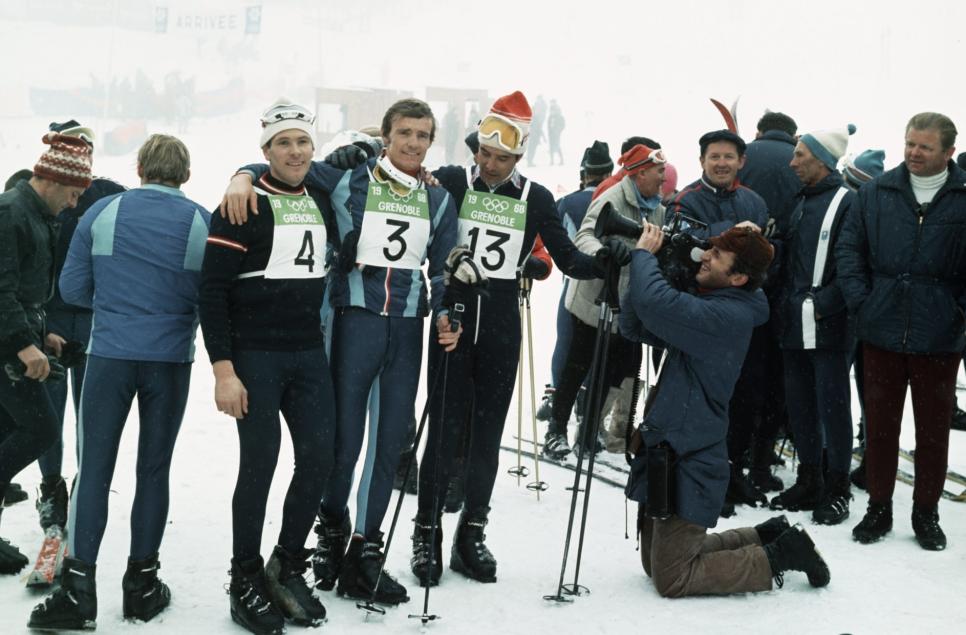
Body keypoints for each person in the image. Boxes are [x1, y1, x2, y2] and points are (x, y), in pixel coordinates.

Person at [222, 98, 460, 606]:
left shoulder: (438, 198)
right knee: (343, 441)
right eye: (405, 134)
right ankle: (331, 532)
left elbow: (441, 269)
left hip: (406, 328)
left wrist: (445, 312)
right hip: (355, 322)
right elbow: (287, 162)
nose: (413, 144)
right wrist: (241, 175)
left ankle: (366, 549)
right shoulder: (350, 178)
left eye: (423, 135)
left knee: (391, 439)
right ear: (386, 137)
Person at [409, 91, 620, 586]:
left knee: (487, 435)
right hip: (453, 317)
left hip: (501, 322)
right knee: (442, 430)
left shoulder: (537, 197)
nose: (489, 163)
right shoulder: (453, 181)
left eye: (501, 157)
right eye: (483, 152)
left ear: (519, 155)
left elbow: (569, 259)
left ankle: (471, 533)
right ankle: (426, 534)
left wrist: (610, 258)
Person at [29, 134, 208, 630]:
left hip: (109, 355)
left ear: (140, 167)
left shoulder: (103, 212)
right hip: (169, 360)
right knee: (154, 469)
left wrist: (114, 302)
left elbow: (71, 288)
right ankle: (142, 585)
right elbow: (205, 293)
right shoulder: (199, 220)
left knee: (96, 470)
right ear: (185, 174)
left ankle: (79, 589)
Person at [622, 224, 830, 597]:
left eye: (717, 256)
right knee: (654, 566)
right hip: (674, 439)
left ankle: (780, 555)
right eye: (709, 249)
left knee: (673, 579)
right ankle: (765, 534)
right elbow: (637, 322)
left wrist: (643, 256)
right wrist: (665, 271)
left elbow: (655, 303)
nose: (705, 256)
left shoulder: (725, 317)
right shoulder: (716, 303)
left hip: (690, 451)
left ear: (738, 278)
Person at [201, 100, 336, 633]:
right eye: (284, 143)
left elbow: (366, 156)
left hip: (307, 353)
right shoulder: (241, 205)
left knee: (319, 459)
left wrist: (246, 169)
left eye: (302, 141)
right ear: (266, 150)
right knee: (259, 466)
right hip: (256, 356)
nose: (296, 151)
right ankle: (244, 576)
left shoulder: (321, 196)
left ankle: (286, 562)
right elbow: (210, 292)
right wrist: (223, 370)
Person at [837, 112, 966, 551]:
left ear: (949, 151)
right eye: (910, 143)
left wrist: (957, 312)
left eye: (924, 147)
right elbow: (850, 250)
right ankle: (878, 506)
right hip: (881, 329)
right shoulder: (875, 193)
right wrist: (863, 301)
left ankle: (925, 513)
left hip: (941, 335)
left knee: (933, 430)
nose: (913, 152)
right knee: (879, 425)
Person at [0, 130, 92, 576]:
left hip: (19, 336)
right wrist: (22, 345)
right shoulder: (10, 212)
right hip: (5, 347)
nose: (73, 205)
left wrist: (45, 335)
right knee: (40, 429)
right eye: (73, 195)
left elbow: (26, 291)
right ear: (54, 181)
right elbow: (1, 290)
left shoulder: (36, 214)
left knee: (7, 433)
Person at [544, 143, 667, 460]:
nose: (663, 178)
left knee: (610, 373)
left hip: (626, 306)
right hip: (592, 301)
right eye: (659, 172)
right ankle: (555, 430)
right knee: (577, 367)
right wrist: (603, 252)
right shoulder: (611, 196)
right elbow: (584, 235)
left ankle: (588, 431)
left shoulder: (657, 207)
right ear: (640, 173)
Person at [37, 121, 126, 536]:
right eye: (71, 146)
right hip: (50, 318)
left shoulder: (107, 192)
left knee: (90, 413)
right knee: (49, 414)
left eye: (86, 147)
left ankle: (85, 486)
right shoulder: (36, 188)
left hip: (93, 317)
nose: (80, 154)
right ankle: (51, 487)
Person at [770, 125, 856, 525]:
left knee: (833, 405)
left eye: (800, 155)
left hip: (828, 324)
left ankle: (838, 486)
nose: (792, 162)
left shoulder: (847, 202)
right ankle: (810, 477)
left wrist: (824, 305)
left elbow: (857, 265)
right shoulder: (800, 200)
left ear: (822, 159)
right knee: (800, 403)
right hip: (792, 319)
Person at [536, 141, 614, 424]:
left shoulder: (568, 202)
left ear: (584, 173)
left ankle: (556, 397)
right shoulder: (617, 199)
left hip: (574, 282)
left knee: (568, 343)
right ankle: (589, 409)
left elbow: (551, 243)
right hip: (611, 284)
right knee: (598, 349)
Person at [839, 149, 886, 491]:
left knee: (838, 388)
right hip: (874, 315)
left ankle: (844, 455)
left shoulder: (845, 206)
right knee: (872, 391)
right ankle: (872, 456)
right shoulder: (883, 209)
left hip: (845, 314)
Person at [547, 99, 566, 165]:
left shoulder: (559, 116)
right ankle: (552, 160)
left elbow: (563, 125)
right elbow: (548, 126)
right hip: (551, 134)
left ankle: (561, 160)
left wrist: (558, 131)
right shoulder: (550, 116)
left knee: (557, 146)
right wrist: (549, 133)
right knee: (551, 147)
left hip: (556, 134)